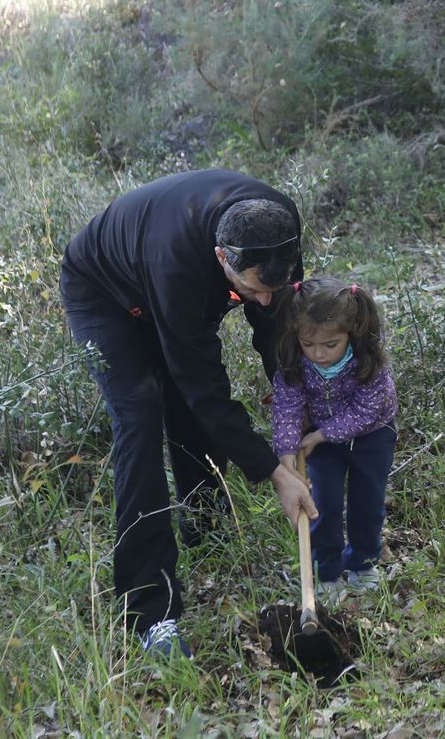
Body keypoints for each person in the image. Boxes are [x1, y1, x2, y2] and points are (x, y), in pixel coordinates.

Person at [59, 169, 319, 660]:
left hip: (167, 275)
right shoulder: (177, 265)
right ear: (222, 257)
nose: (264, 300)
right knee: (141, 413)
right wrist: (272, 471)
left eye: (275, 285)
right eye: (253, 288)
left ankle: (206, 528)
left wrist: (298, 413)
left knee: (191, 402)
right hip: (105, 294)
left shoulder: (278, 226)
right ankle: (149, 612)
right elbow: (205, 389)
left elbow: (277, 331)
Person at [270, 277, 398, 595]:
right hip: (320, 442)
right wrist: (286, 452)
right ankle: (326, 573)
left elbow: (366, 411)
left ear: (350, 332)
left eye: (330, 345)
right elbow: (287, 407)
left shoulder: (368, 362)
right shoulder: (294, 362)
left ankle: (362, 565)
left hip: (372, 437)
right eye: (308, 344)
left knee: (367, 504)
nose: (319, 354)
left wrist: (321, 435)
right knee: (321, 505)